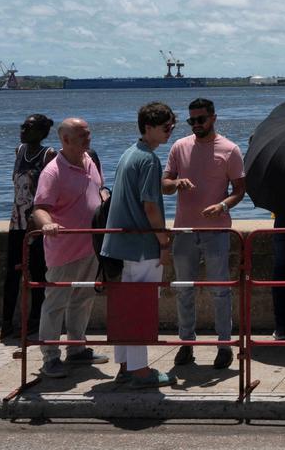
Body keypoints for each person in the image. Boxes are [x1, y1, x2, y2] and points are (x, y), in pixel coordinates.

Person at [163, 98, 246, 368]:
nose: (196, 125)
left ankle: (224, 346)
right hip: (184, 230)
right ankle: (186, 344)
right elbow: (163, 185)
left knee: (220, 290)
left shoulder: (230, 150)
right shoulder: (179, 146)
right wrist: (176, 183)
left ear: (213, 118)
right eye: (192, 121)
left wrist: (222, 205)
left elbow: (240, 190)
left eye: (201, 119)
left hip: (216, 231)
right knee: (184, 290)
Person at [101, 101, 177, 387]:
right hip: (142, 245)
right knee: (142, 306)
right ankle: (141, 371)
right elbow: (150, 207)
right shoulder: (148, 160)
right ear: (149, 127)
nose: (169, 132)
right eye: (165, 127)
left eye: (171, 127)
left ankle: (126, 365)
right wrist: (164, 242)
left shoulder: (128, 154)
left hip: (122, 244)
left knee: (126, 306)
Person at [31, 117, 104, 378]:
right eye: (82, 135)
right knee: (56, 303)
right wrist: (48, 225)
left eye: (89, 133)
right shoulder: (52, 172)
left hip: (91, 246)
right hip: (64, 250)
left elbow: (99, 189)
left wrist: (106, 199)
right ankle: (50, 356)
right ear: (65, 139)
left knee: (83, 300)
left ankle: (77, 347)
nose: (88, 138)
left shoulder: (90, 162)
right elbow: (39, 208)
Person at [0, 114, 55, 343]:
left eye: (28, 127)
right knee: (12, 273)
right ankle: (6, 323)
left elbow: (48, 190)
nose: (22, 129)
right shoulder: (19, 150)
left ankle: (34, 321)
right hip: (16, 222)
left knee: (38, 273)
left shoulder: (48, 155)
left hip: (36, 224)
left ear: (41, 132)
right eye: (22, 126)